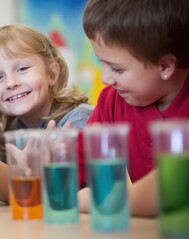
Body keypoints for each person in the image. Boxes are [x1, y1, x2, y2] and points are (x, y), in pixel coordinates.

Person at [78, 0, 189, 217]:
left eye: (117, 69)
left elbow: (177, 187)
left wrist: (105, 202)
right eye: (102, 63)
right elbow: (74, 172)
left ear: (165, 66)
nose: (105, 78)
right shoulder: (112, 101)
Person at [0, 24, 93, 161]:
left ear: (52, 74)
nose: (11, 83)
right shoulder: (9, 135)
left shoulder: (80, 119)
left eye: (22, 69)